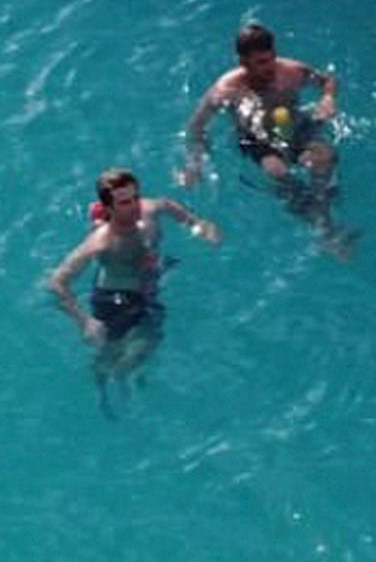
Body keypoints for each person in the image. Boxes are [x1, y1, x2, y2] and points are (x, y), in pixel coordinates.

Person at [180, 22, 352, 250]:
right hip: (256, 138)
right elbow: (196, 127)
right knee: (277, 172)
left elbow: (328, 81)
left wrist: (328, 99)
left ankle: (323, 211)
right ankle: (322, 227)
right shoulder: (226, 89)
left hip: (294, 125)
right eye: (261, 62)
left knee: (324, 158)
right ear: (243, 63)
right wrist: (195, 162)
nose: (270, 67)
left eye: (271, 58)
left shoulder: (292, 71)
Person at [47, 168, 219, 390]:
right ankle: (106, 386)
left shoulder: (151, 209)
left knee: (146, 343)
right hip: (116, 300)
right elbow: (57, 282)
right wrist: (85, 321)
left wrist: (201, 226)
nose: (136, 205)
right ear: (109, 208)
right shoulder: (101, 241)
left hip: (148, 285)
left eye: (136, 197)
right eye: (125, 202)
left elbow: (175, 210)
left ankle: (120, 377)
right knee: (119, 357)